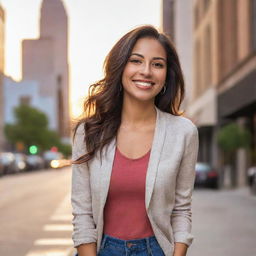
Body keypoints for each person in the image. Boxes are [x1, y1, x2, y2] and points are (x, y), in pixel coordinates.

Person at [71, 25, 199, 256]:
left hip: (157, 250)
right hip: (103, 249)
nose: (146, 71)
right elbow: (82, 212)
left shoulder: (183, 132)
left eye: (157, 64)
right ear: (120, 68)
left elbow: (181, 210)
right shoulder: (89, 131)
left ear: (166, 75)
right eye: (136, 60)